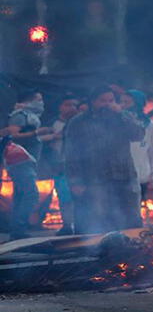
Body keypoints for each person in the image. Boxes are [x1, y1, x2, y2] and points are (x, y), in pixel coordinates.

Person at [64, 85, 145, 234]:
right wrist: (75, 181)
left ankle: (134, 251)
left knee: (130, 219)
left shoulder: (123, 117)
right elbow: (71, 154)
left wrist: (121, 114)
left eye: (111, 100)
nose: (107, 104)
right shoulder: (78, 122)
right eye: (103, 101)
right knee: (98, 221)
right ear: (92, 101)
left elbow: (138, 135)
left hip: (124, 176)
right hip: (94, 179)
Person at [40, 94, 79, 235]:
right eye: (68, 105)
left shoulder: (80, 123)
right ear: (60, 107)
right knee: (64, 197)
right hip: (59, 166)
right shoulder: (52, 124)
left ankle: (80, 225)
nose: (71, 108)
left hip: (78, 166)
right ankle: (67, 225)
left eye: (74, 105)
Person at [120, 90, 153, 207]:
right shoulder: (116, 123)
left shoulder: (149, 125)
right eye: (121, 102)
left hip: (141, 177)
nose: (123, 106)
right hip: (119, 178)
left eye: (127, 102)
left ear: (138, 104)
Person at [2, 136, 39, 240]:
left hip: (16, 158)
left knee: (21, 196)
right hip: (17, 160)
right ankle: (18, 229)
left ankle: (17, 230)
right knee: (30, 196)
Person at [6, 90, 51, 161]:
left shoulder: (30, 117)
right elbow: (13, 136)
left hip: (29, 160)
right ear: (29, 101)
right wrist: (36, 132)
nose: (42, 103)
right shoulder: (20, 115)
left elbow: (31, 138)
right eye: (39, 100)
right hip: (19, 161)